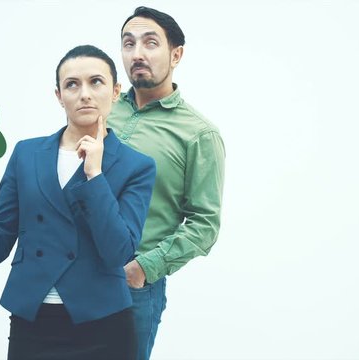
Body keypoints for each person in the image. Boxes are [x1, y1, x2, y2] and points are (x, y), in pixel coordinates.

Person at [0, 45, 156, 360]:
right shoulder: (26, 154)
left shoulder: (137, 166)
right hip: (34, 323)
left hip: (104, 324)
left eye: (96, 82)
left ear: (115, 91)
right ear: (58, 95)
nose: (84, 94)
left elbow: (118, 253)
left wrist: (94, 175)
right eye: (72, 84)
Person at [107, 6, 226, 359]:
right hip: (70, 273)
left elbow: (205, 225)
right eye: (128, 44)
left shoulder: (199, 134)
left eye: (150, 43)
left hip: (131, 286)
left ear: (176, 54)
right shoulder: (101, 108)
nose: (137, 53)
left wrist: (144, 268)